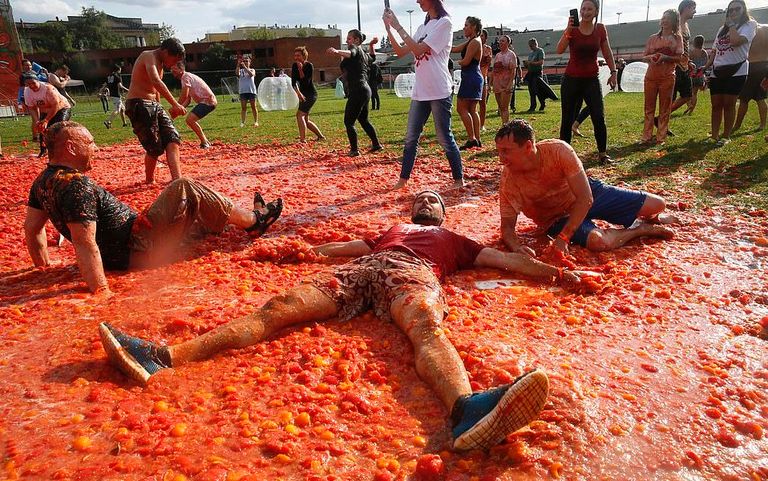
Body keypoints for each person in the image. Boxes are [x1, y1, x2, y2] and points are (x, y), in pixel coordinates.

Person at [98, 189, 603, 451]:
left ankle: (466, 408)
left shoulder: (458, 243)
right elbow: (339, 248)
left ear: (443, 215)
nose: (426, 202)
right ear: (410, 210)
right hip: (361, 270)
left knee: (426, 325)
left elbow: (506, 261)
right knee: (275, 311)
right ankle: (163, 356)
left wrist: (556, 275)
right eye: (420, 200)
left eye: (434, 202)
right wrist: (291, 251)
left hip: (413, 275)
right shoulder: (390, 228)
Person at [23, 122, 283, 295]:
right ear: (71, 148)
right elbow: (84, 242)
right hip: (139, 248)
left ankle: (236, 218)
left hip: (134, 239)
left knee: (192, 214)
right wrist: (102, 290)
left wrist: (43, 270)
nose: (96, 148)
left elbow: (32, 230)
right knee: (184, 187)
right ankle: (253, 221)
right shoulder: (75, 185)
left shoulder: (41, 182)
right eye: (90, 143)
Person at [497, 119, 678, 256]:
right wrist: (517, 248)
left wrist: (564, 238)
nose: (501, 158)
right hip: (556, 218)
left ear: (528, 146)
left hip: (586, 195)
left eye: (506, 151)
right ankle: (640, 229)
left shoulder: (559, 151)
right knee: (599, 243)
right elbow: (506, 228)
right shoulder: (509, 182)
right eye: (499, 151)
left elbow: (586, 198)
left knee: (658, 204)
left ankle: (649, 218)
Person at [383, 0, 465, 190]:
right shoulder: (423, 27)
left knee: (444, 137)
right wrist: (389, 29)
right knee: (411, 137)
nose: (418, 1)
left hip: (439, 90)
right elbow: (401, 51)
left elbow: (419, 49)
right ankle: (403, 180)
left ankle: (458, 179)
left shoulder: (445, 23)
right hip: (420, 91)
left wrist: (398, 25)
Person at [556, 0, 618, 164]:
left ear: (596, 11)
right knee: (567, 119)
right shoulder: (573, 28)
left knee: (598, 116)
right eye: (583, 8)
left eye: (589, 8)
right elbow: (559, 49)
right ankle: (565, 156)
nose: (585, 11)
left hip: (591, 80)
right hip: (571, 80)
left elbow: (607, 52)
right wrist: (568, 30)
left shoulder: (600, 29)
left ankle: (603, 154)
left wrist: (613, 72)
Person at [125, 38, 187, 184]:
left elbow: (156, 89)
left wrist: (160, 109)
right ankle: (149, 180)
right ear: (165, 52)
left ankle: (177, 180)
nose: (174, 64)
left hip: (153, 105)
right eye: (174, 59)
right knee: (155, 147)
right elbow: (155, 81)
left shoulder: (160, 63)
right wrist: (175, 104)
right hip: (138, 104)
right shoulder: (148, 56)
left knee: (173, 138)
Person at [705, 0, 758, 146]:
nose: (733, 12)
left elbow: (735, 42)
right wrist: (707, 65)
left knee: (729, 104)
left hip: (737, 70)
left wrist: (732, 26)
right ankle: (714, 135)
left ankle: (726, 136)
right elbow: (715, 50)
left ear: (744, 10)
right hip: (718, 70)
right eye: (730, 10)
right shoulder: (722, 29)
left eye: (737, 9)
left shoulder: (749, 25)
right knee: (716, 104)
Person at [327, 30, 383, 157]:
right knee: (363, 119)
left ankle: (354, 150)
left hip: (358, 89)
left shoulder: (355, 49)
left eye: (349, 38)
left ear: (357, 40)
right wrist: (371, 46)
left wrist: (337, 51)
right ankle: (376, 144)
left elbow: (351, 52)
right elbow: (372, 58)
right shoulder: (363, 53)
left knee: (349, 122)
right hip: (365, 89)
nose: (347, 41)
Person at [641, 9, 684, 145]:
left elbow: (679, 58)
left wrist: (666, 57)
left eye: (668, 18)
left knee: (665, 108)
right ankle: (646, 136)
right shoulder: (652, 38)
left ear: (674, 21)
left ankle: (661, 137)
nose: (664, 20)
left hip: (667, 77)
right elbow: (643, 57)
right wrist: (652, 57)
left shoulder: (677, 39)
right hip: (651, 77)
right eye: (663, 17)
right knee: (649, 107)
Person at [451, 16, 484, 150]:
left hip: (471, 76)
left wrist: (451, 63)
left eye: (466, 25)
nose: (464, 28)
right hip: (473, 77)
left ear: (474, 27)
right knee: (472, 109)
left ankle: (472, 139)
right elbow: (454, 49)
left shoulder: (475, 42)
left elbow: (465, 61)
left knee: (461, 108)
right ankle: (477, 139)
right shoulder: (472, 40)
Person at [22, 73, 71, 158]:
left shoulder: (48, 88)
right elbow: (32, 108)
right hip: (45, 110)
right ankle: (43, 150)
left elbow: (55, 105)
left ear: (37, 81)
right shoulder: (27, 92)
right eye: (29, 84)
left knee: (58, 127)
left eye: (33, 83)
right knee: (42, 128)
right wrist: (37, 121)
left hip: (61, 108)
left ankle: (62, 150)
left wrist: (46, 120)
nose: (32, 86)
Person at [170, 61, 218, 149]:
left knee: (190, 120)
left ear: (181, 69)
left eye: (174, 69)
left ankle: (205, 142)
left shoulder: (185, 77)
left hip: (208, 101)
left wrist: (176, 106)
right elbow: (188, 99)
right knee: (190, 120)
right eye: (171, 69)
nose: (172, 71)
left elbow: (184, 96)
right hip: (207, 101)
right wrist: (180, 108)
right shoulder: (185, 77)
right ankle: (205, 141)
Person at [732, 23, 768, 132]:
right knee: (760, 97)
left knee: (744, 99)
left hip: (751, 65)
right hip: (764, 65)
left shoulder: (748, 29)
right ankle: (762, 125)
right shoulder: (765, 28)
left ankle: (737, 125)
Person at [668, 0, 698, 122]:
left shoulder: (686, 25)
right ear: (686, 8)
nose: (695, 11)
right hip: (675, 65)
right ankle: (662, 122)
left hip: (684, 65)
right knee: (672, 97)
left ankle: (661, 118)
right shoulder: (676, 24)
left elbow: (684, 46)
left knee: (687, 95)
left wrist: (688, 60)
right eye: (693, 8)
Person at [291, 46, 326, 143]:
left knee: (299, 115)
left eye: (298, 55)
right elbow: (294, 82)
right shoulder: (294, 66)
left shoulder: (309, 66)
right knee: (305, 119)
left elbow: (306, 82)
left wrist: (301, 69)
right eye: (295, 56)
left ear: (304, 56)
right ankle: (321, 137)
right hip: (302, 94)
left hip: (311, 94)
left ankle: (302, 140)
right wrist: (298, 93)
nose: (296, 57)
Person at [493, 35, 517, 125]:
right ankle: (504, 124)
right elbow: (494, 70)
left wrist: (510, 84)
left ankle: (506, 125)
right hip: (497, 84)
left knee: (505, 107)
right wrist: (491, 83)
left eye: (503, 41)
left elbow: (513, 70)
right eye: (500, 41)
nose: (500, 43)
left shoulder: (511, 55)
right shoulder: (498, 55)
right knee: (500, 107)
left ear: (508, 43)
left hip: (506, 83)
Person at [685, 35, 710, 114]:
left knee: (688, 93)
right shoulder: (704, 52)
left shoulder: (691, 52)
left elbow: (687, 63)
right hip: (700, 75)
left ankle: (689, 105)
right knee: (695, 93)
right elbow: (706, 63)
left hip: (692, 74)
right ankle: (691, 111)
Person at [524, 38, 547, 112]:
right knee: (531, 91)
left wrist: (531, 63)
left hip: (537, 72)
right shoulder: (531, 53)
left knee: (537, 90)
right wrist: (527, 64)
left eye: (531, 45)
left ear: (535, 44)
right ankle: (532, 106)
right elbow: (530, 63)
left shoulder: (540, 51)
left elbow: (541, 62)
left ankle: (542, 104)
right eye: (529, 46)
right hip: (531, 73)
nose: (530, 47)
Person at [237, 56, 260, 128]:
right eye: (245, 61)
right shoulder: (241, 71)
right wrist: (238, 65)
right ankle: (243, 122)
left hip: (251, 91)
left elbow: (251, 75)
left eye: (247, 61)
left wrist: (245, 67)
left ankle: (256, 121)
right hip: (243, 91)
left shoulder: (252, 70)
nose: (246, 62)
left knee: (253, 107)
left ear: (250, 62)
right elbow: (237, 74)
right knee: (243, 108)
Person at [479, 29, 493, 131]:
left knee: (483, 103)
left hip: (483, 77)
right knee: (472, 103)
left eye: (482, 35)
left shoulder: (488, 49)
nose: (480, 37)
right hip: (474, 77)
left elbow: (487, 64)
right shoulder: (473, 47)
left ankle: (482, 124)